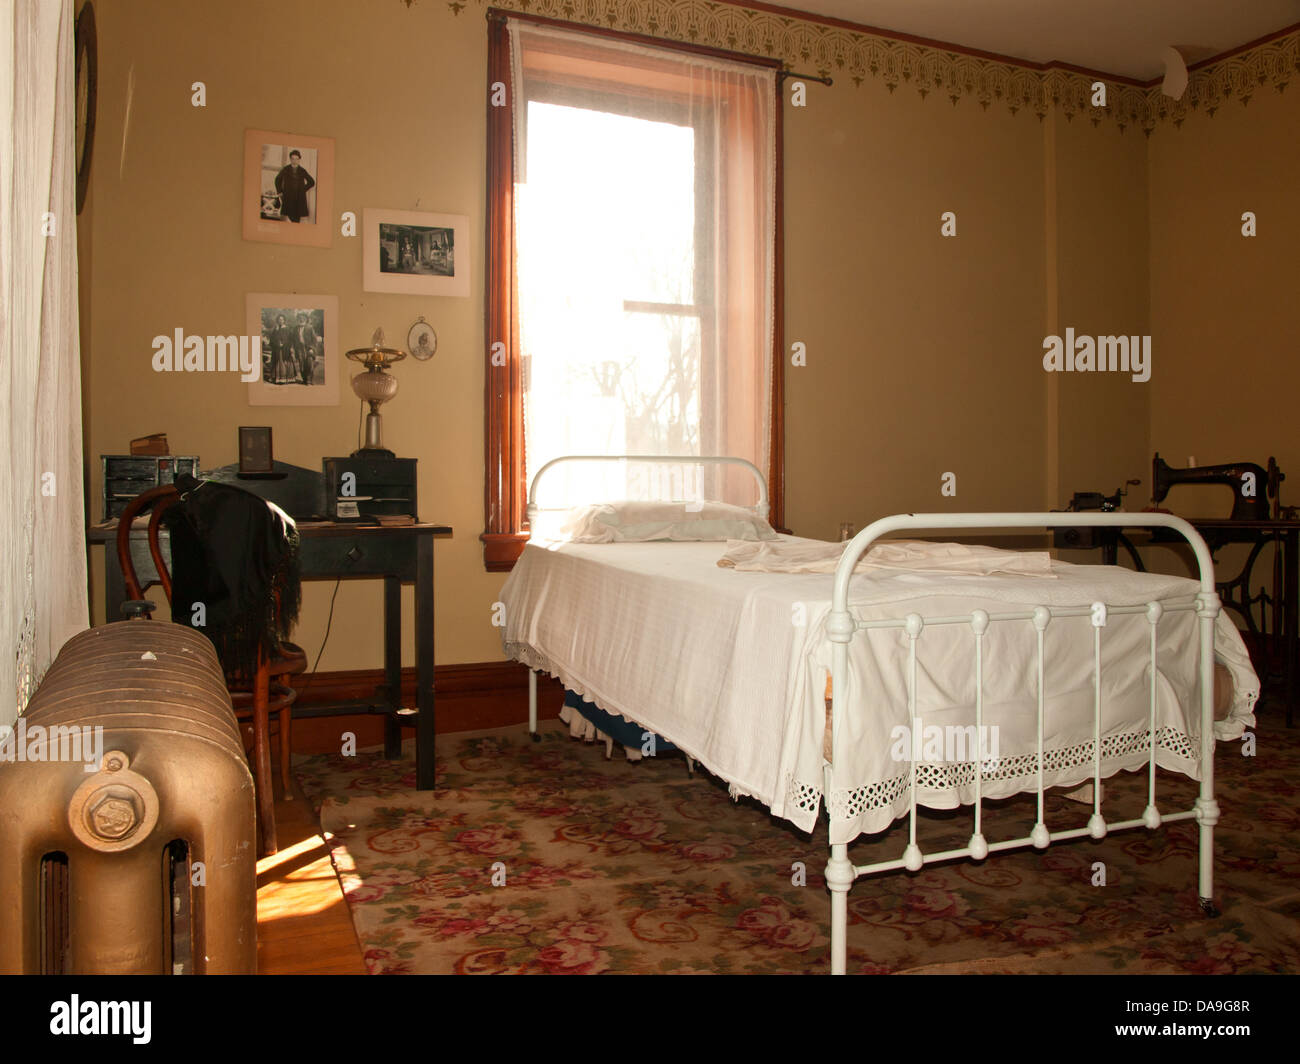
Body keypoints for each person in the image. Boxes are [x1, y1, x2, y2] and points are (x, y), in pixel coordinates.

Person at [274, 149, 315, 223]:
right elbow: (277, 179)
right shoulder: (286, 169)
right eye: (293, 159)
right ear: (290, 159)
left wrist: (303, 189)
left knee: (296, 219)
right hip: (288, 196)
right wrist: (279, 191)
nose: (294, 161)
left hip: (298, 197)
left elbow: (312, 182)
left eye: (296, 159)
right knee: (288, 217)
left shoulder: (302, 171)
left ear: (299, 160)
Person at [270, 314, 294, 383]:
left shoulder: (287, 329)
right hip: (277, 349)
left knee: (284, 362)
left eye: (282, 319)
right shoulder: (275, 329)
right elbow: (272, 339)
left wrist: (285, 344)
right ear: (277, 320)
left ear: (284, 321)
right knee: (277, 362)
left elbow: (290, 339)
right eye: (279, 319)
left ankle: (285, 378)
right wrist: (277, 343)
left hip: (285, 349)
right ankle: (277, 378)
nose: (280, 321)